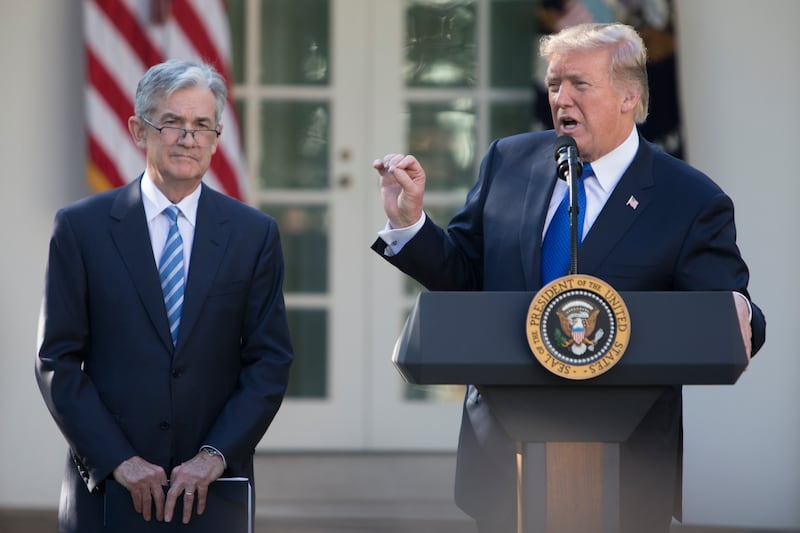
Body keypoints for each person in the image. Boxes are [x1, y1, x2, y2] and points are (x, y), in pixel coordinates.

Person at [371, 23, 765, 533]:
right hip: (503, 449)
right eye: (555, 84)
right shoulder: (509, 162)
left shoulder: (687, 198)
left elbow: (731, 312)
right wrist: (412, 226)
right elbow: (465, 276)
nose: (561, 98)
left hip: (630, 459)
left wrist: (740, 313)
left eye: (580, 84)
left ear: (630, 96)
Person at [36, 59, 293, 532]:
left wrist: (214, 456)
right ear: (138, 130)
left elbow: (269, 361)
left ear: (217, 137)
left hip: (212, 490)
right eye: (171, 123)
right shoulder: (80, 229)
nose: (188, 138)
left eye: (201, 126)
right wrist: (119, 460)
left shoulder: (254, 235)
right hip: (108, 490)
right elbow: (57, 361)